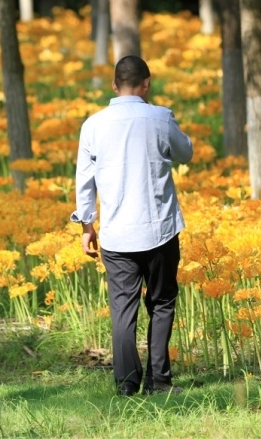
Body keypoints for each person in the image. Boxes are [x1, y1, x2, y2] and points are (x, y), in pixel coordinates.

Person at [71, 55, 193, 396]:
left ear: (113, 85)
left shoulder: (93, 125)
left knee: (122, 310)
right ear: (147, 83)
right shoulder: (160, 117)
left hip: (117, 233)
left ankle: (127, 385)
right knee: (162, 303)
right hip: (160, 230)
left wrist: (86, 225)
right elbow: (185, 154)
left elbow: (85, 179)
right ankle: (160, 381)